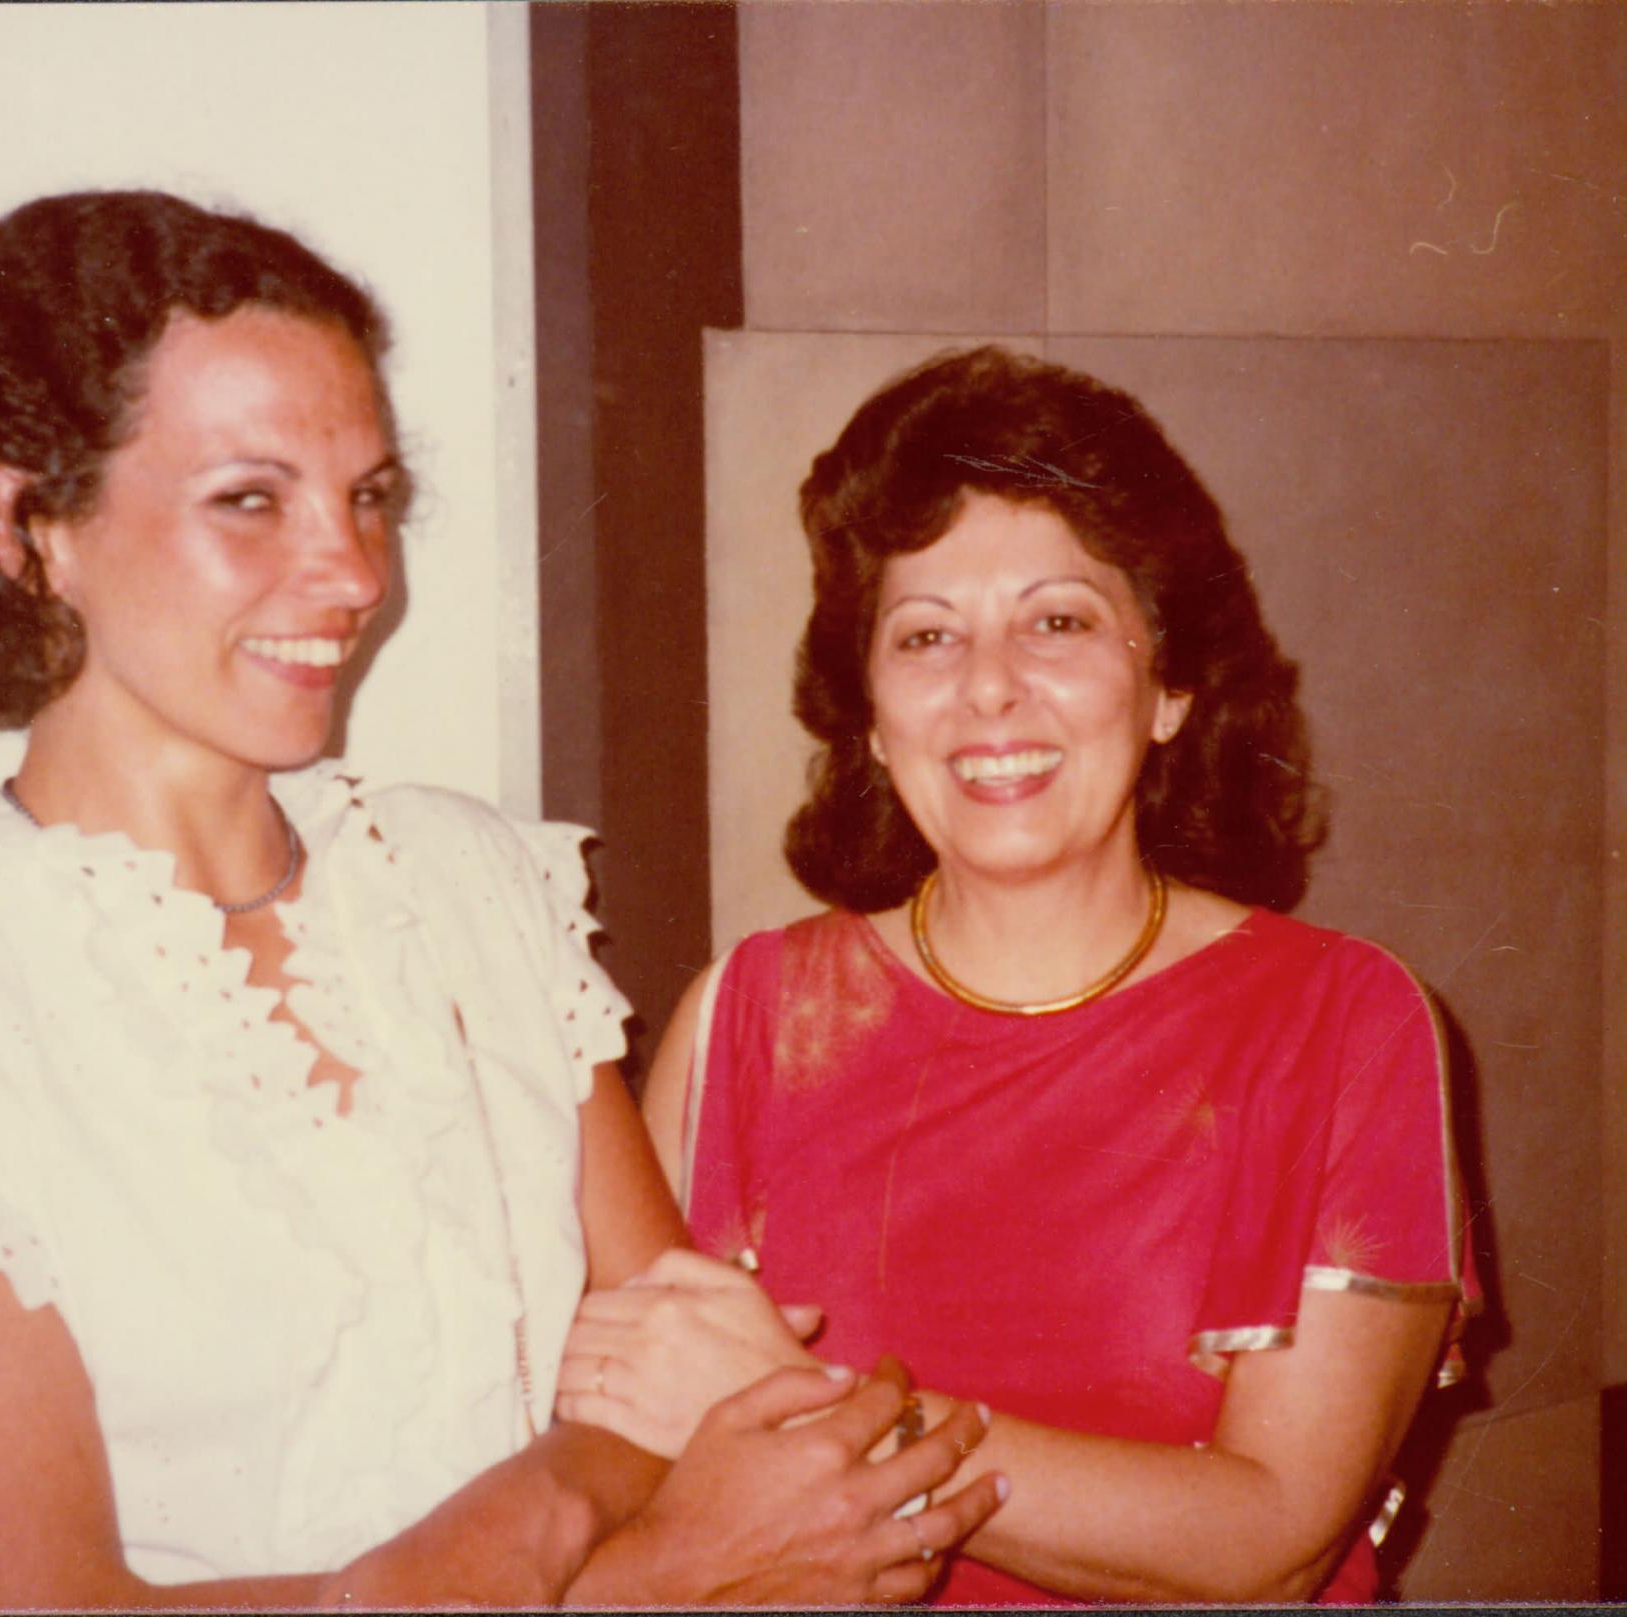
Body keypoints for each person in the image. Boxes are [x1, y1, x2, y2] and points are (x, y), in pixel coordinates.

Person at [0, 190, 1003, 1610]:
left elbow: (681, 1367)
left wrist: (544, 1512)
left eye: (369, 496)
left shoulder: (471, 883)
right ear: (30, 527)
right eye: (250, 499)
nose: (352, 573)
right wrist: (638, 1583)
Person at [554, 346, 1484, 1604]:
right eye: (925, 636)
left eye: (1057, 622)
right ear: (871, 718)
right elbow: (624, 1442)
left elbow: (1271, 1543)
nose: (987, 688)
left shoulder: (1338, 1021)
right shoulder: (749, 1020)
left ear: (1166, 686)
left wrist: (814, 1407)